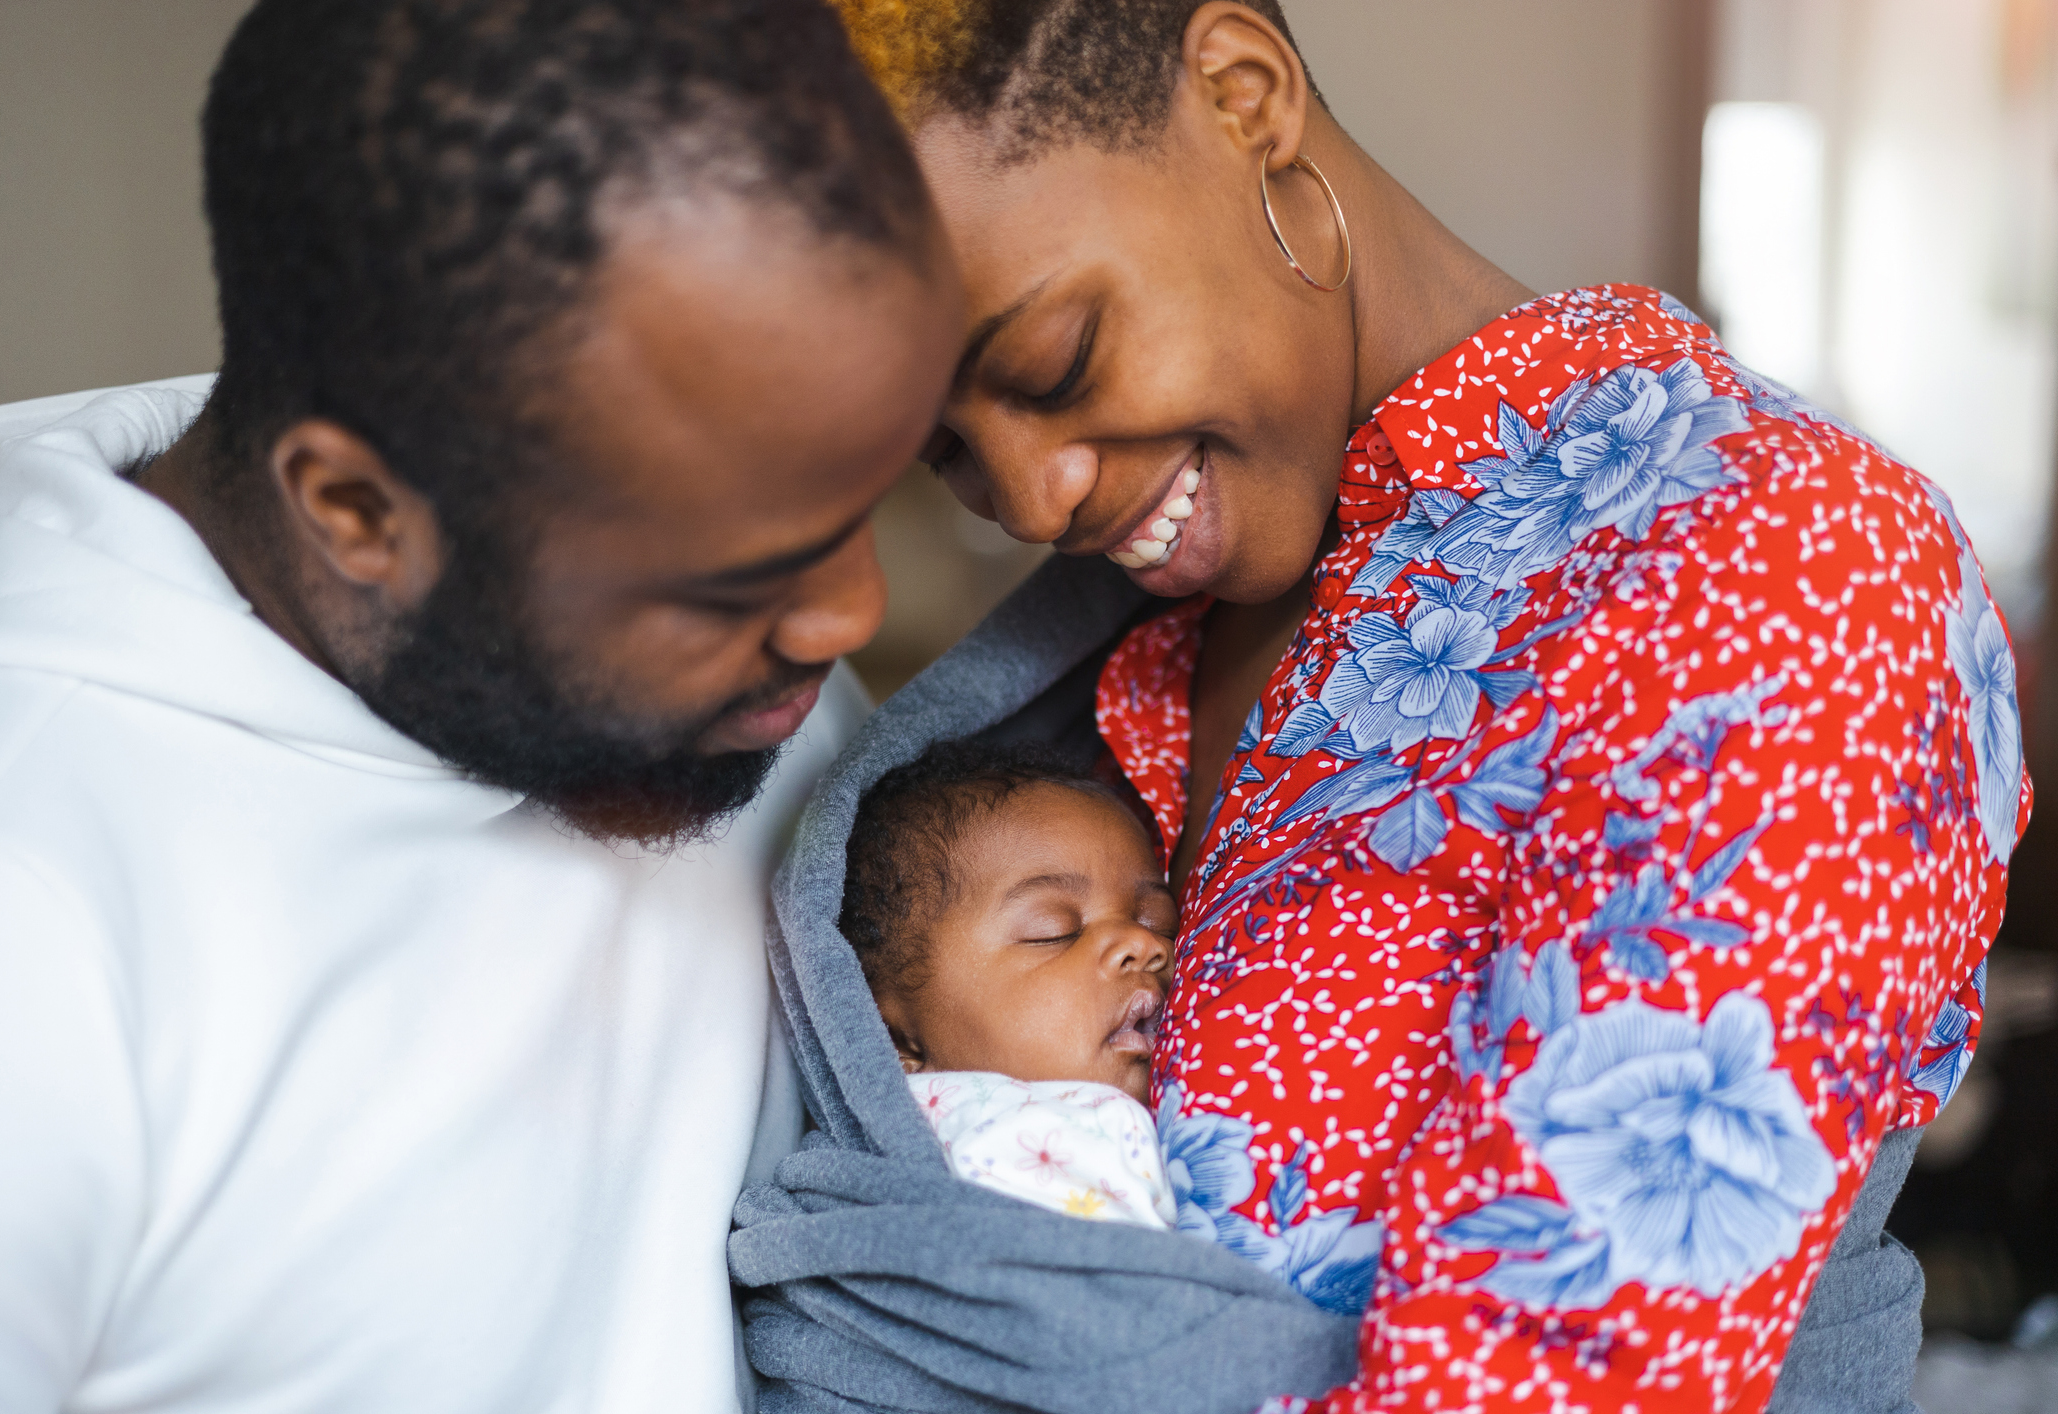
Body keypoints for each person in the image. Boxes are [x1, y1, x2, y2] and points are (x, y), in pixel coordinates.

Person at [765, 2, 2020, 1410]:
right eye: (945, 448)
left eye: (1056, 363)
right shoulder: (1171, 630)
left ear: (1243, 97)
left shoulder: (1781, 559)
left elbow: (1574, 1370)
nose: (1032, 499)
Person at [0, 0, 963, 1410]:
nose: (849, 617)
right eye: (742, 578)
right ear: (358, 512)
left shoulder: (704, 603)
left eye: (869, 499)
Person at [841, 740, 1178, 1229]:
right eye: (1053, 932)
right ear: (893, 1037)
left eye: (1160, 921)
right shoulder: (1007, 1133)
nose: (1142, 943)